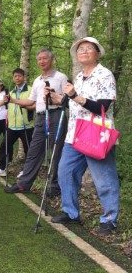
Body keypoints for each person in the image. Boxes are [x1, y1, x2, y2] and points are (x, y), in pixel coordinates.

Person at [50, 37, 118, 236]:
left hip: (97, 134)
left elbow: (102, 107)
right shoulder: (79, 77)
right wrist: (56, 97)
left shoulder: (105, 75)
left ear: (97, 53)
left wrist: (73, 96)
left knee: (104, 179)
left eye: (89, 48)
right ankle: (71, 213)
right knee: (65, 172)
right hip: (75, 134)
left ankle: (109, 220)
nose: (84, 51)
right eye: (80, 49)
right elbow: (74, 103)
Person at [4, 49, 68, 195]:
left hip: (56, 115)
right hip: (40, 117)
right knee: (33, 151)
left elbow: (67, 100)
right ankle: (23, 184)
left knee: (56, 151)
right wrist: (13, 100)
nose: (42, 61)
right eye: (39, 59)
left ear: (52, 59)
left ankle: (55, 187)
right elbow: (31, 101)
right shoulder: (37, 80)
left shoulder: (61, 77)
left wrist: (53, 98)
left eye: (45, 58)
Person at [0, 69, 35, 177]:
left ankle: (26, 171)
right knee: (4, 146)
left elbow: (34, 106)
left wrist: (25, 106)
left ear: (24, 77)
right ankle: (1, 168)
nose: (17, 78)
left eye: (19, 76)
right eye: (15, 76)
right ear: (13, 78)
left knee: (29, 150)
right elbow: (0, 103)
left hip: (26, 126)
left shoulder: (31, 90)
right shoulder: (11, 93)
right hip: (12, 126)